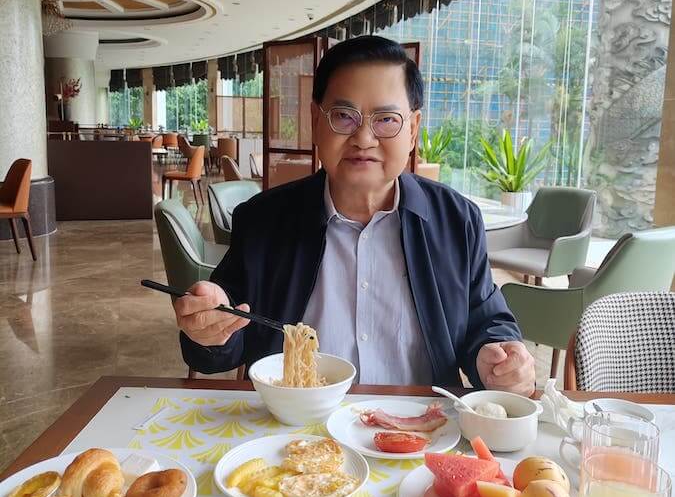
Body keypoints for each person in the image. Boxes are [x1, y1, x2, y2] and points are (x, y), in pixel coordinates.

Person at [175, 35, 535, 394]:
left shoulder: (456, 221)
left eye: (386, 119)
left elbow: (485, 320)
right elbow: (223, 342)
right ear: (315, 121)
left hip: (422, 420)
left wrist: (499, 358)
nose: (364, 138)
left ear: (412, 129)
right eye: (344, 117)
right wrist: (209, 329)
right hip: (295, 419)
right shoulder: (264, 220)